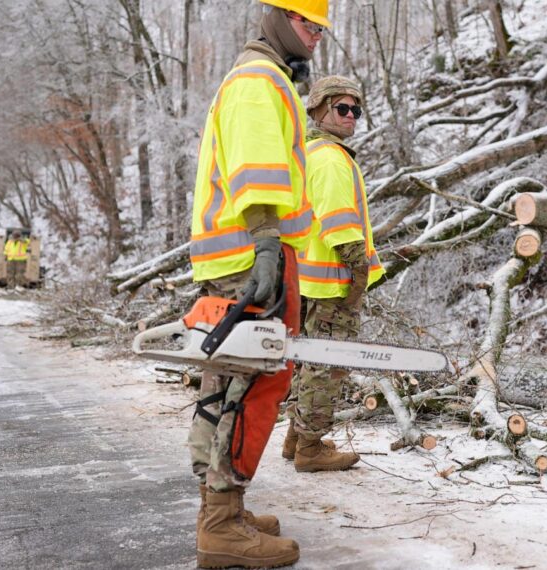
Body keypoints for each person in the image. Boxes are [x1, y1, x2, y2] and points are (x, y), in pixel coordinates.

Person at [185, 1, 328, 568]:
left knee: (231, 385)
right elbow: (255, 167)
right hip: (250, 255)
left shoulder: (266, 78)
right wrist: (268, 245)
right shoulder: (257, 79)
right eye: (306, 24)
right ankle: (220, 524)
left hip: (244, 252)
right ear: (276, 19)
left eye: (320, 28)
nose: (315, 36)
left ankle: (221, 508)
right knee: (247, 388)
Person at [282, 76, 385, 472]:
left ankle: (296, 437)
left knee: (312, 362)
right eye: (342, 108)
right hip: (333, 280)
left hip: (315, 280)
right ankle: (310, 447)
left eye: (355, 110)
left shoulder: (313, 153)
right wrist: (358, 269)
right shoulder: (329, 158)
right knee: (328, 365)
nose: (351, 116)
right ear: (320, 109)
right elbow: (339, 220)